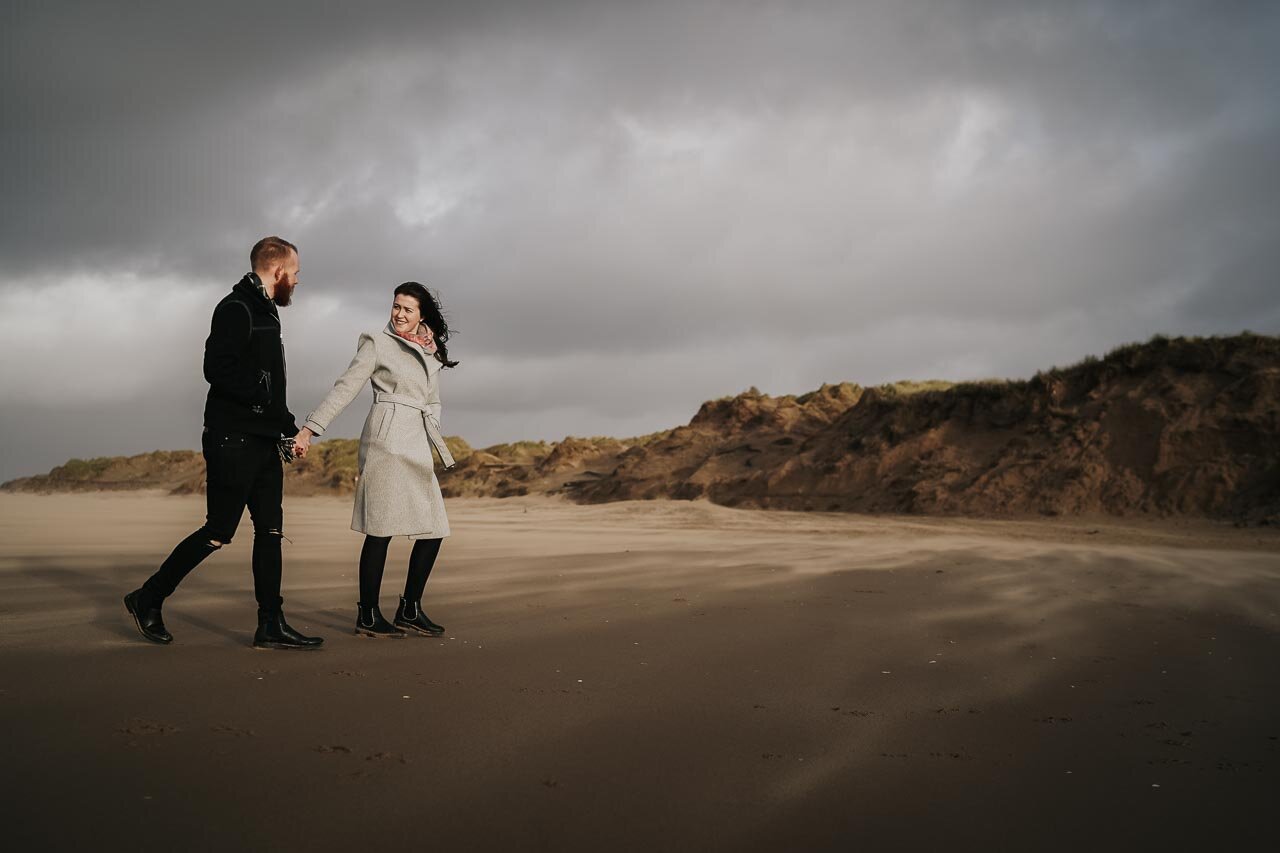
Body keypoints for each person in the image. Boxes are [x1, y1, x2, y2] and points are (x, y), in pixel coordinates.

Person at [124, 236, 324, 650]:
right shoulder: (236, 307)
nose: (298, 281)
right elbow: (216, 367)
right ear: (278, 270)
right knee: (218, 531)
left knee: (270, 531)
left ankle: (271, 623)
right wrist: (259, 388)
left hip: (264, 441)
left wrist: (286, 428)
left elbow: (272, 389)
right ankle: (148, 597)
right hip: (232, 441)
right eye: (297, 273)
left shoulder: (265, 310)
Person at [294, 282, 458, 638]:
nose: (399, 314)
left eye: (407, 309)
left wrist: (433, 424)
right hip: (386, 441)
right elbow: (346, 387)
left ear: (422, 315)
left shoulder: (431, 350)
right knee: (380, 529)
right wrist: (310, 429)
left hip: (418, 443)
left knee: (434, 529)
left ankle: (409, 609)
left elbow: (433, 399)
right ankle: (367, 615)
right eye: (396, 306)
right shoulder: (376, 341)